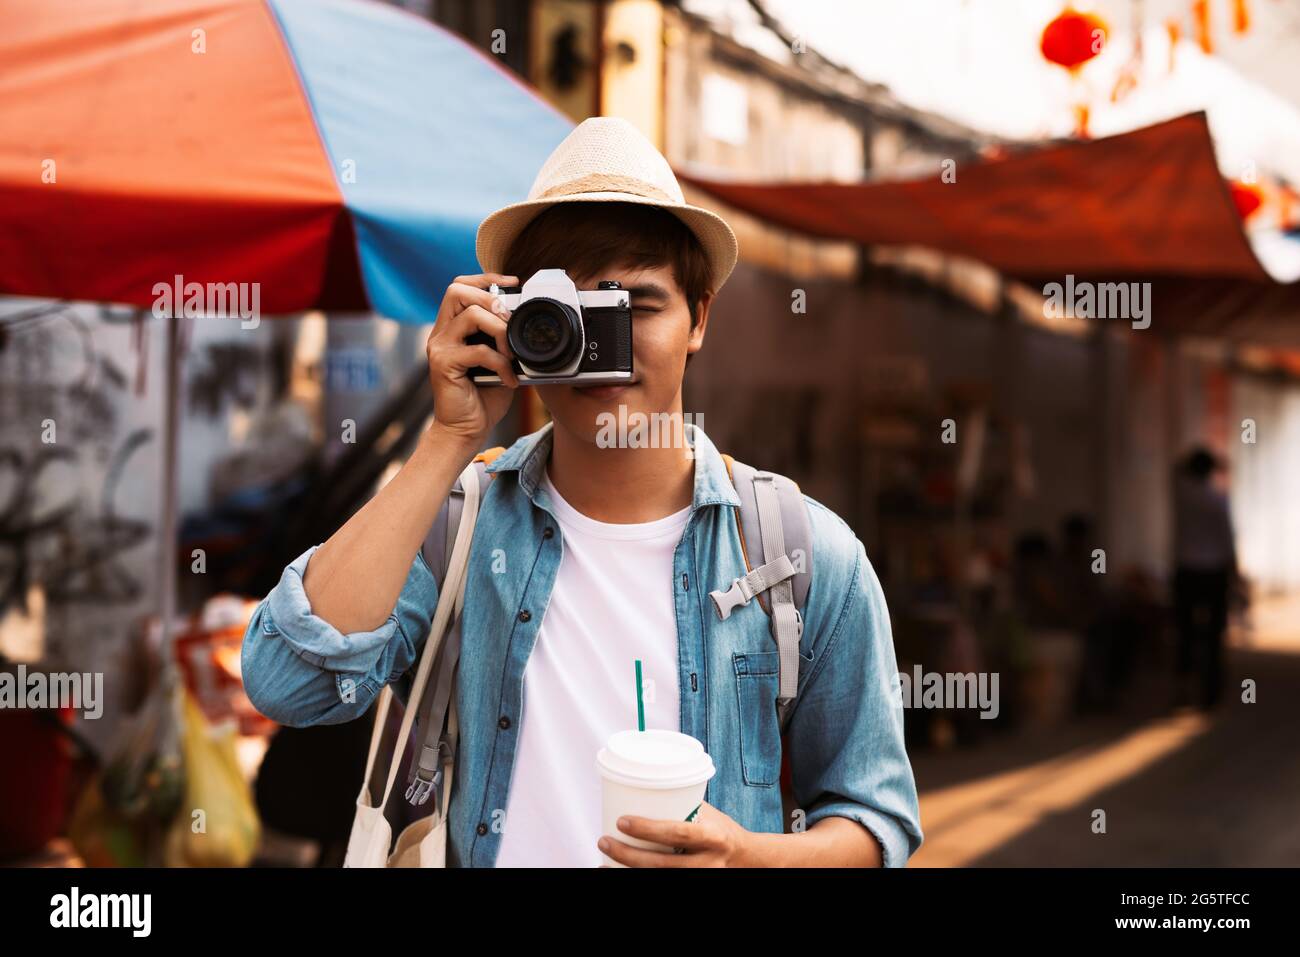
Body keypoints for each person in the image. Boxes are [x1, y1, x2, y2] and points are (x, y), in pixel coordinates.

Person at [240, 117, 922, 867]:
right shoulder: (455, 527)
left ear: (698, 317)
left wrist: (746, 857)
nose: (605, 350)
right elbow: (287, 684)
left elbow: (875, 818)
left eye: (636, 307)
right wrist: (447, 439)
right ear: (512, 323)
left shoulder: (798, 553)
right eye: (569, 317)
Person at [1171, 447, 1238, 710]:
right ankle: (1210, 691)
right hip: (1214, 572)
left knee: (1185, 631)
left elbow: (1174, 470)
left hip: (1187, 570)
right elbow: (1228, 539)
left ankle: (1184, 687)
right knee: (1213, 634)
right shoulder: (1218, 499)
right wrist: (1235, 574)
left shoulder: (1182, 496)